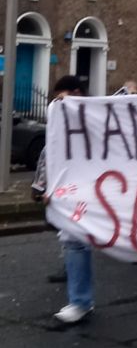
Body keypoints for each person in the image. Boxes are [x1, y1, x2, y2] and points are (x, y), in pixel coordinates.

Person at [32, 76, 92, 325]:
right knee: (73, 239)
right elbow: (50, 153)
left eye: (61, 97)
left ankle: (81, 301)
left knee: (81, 240)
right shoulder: (59, 122)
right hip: (72, 193)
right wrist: (42, 186)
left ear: (76, 93)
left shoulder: (96, 115)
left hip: (97, 190)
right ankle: (80, 301)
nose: (56, 102)